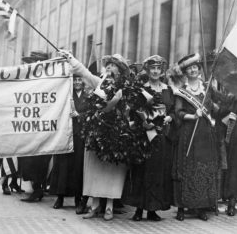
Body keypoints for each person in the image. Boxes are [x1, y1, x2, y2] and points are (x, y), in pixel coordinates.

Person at [60, 52, 130, 221]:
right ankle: (95, 205)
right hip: (96, 131)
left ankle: (109, 207)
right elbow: (85, 73)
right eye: (109, 65)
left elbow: (129, 109)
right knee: (94, 168)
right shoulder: (100, 83)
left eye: (114, 65)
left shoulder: (126, 88)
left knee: (113, 170)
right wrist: (71, 58)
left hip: (115, 132)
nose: (110, 68)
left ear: (120, 70)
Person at [122, 55, 174, 221]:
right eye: (152, 68)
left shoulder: (168, 89)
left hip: (161, 136)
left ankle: (152, 209)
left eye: (158, 68)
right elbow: (133, 111)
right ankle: (138, 209)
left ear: (162, 70)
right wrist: (143, 123)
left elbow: (172, 110)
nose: (155, 71)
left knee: (158, 172)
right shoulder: (141, 89)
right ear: (148, 70)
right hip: (144, 135)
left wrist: (169, 118)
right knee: (142, 171)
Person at [172, 53, 219, 221]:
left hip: (205, 135)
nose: (193, 70)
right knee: (186, 168)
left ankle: (201, 207)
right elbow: (178, 112)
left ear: (199, 69)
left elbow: (217, 107)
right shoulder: (181, 91)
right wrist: (192, 116)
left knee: (203, 169)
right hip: (188, 133)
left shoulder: (207, 88)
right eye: (189, 68)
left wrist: (214, 105)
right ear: (185, 72)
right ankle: (181, 208)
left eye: (195, 67)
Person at [49, 74, 88, 214]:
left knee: (78, 167)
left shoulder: (88, 97)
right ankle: (60, 198)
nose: (77, 82)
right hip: (65, 134)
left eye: (79, 80)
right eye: (75, 80)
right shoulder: (66, 95)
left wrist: (80, 116)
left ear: (83, 82)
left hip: (80, 136)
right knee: (63, 166)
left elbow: (91, 114)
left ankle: (78, 199)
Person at [19, 51, 52, 202]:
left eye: (38, 61)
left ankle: (38, 189)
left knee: (40, 161)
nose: (35, 64)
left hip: (44, 126)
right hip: (29, 125)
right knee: (28, 160)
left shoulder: (51, 79)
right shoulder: (29, 79)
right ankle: (35, 187)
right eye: (33, 61)